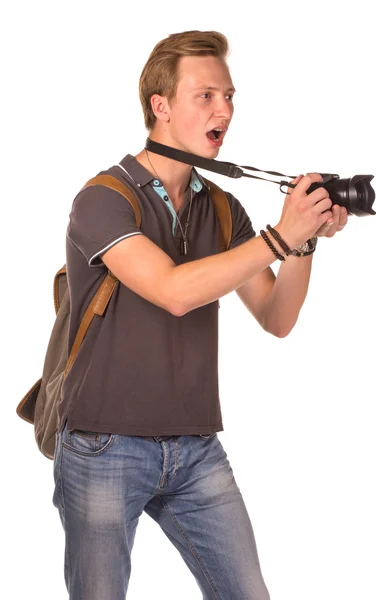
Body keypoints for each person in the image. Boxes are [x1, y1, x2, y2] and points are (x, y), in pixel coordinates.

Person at [52, 30, 348, 600]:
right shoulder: (104, 199)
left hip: (194, 448)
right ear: (160, 106)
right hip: (105, 447)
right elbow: (173, 290)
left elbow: (276, 315)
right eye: (207, 95)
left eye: (230, 96)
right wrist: (280, 236)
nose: (225, 110)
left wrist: (305, 243)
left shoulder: (220, 205)